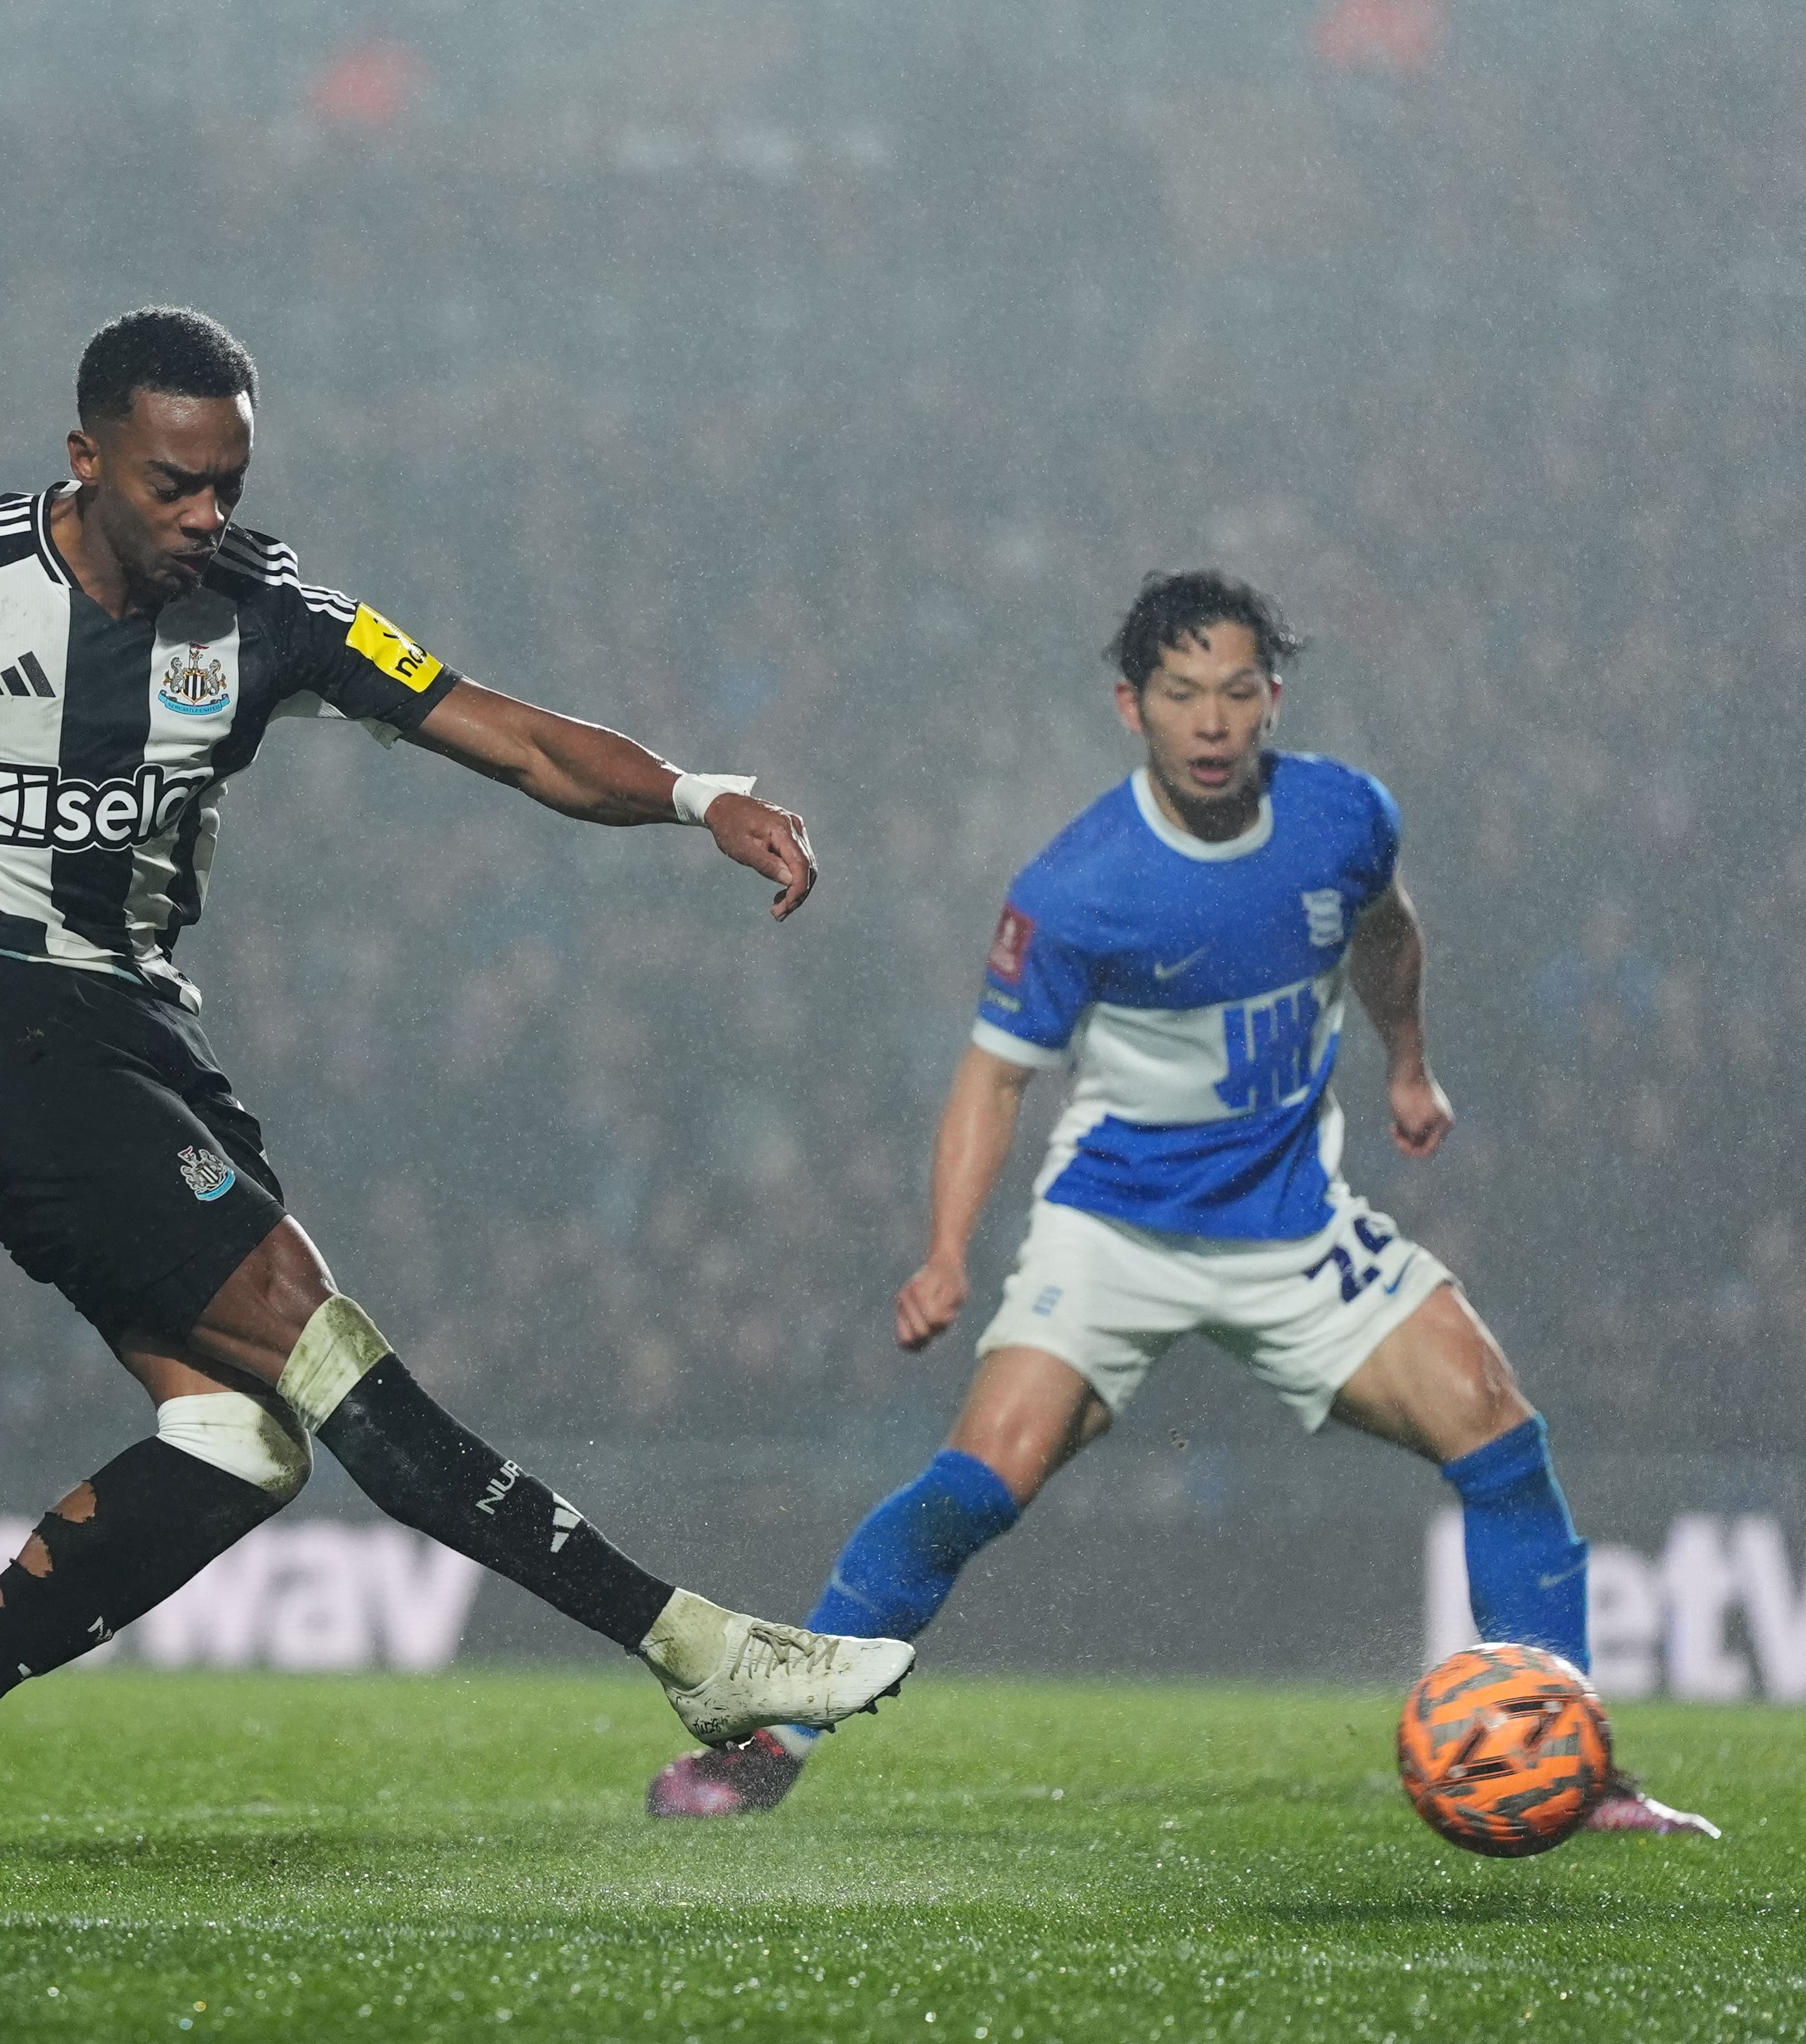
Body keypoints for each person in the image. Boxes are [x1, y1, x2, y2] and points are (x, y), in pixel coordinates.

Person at [0, 305, 916, 1902]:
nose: (205, 516)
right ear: (85, 456)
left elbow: (505, 735)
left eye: (226, 482)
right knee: (324, 1345)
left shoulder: (266, 611)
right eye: (174, 484)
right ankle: (698, 1647)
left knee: (240, 1443)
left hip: (142, 1034)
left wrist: (696, 793)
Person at [644, 571, 1718, 1839]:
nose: (1211, 721)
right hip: (1118, 1230)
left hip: (1295, 1225)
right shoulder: (1081, 885)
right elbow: (995, 1079)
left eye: (1235, 691)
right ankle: (774, 1740)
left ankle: (1567, 1757)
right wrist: (945, 1251)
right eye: (1180, 695)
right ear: (1131, 707)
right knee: (980, 1478)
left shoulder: (1344, 819)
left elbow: (1388, 937)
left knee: (1499, 1434)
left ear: (1274, 698)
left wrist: (1410, 1065)